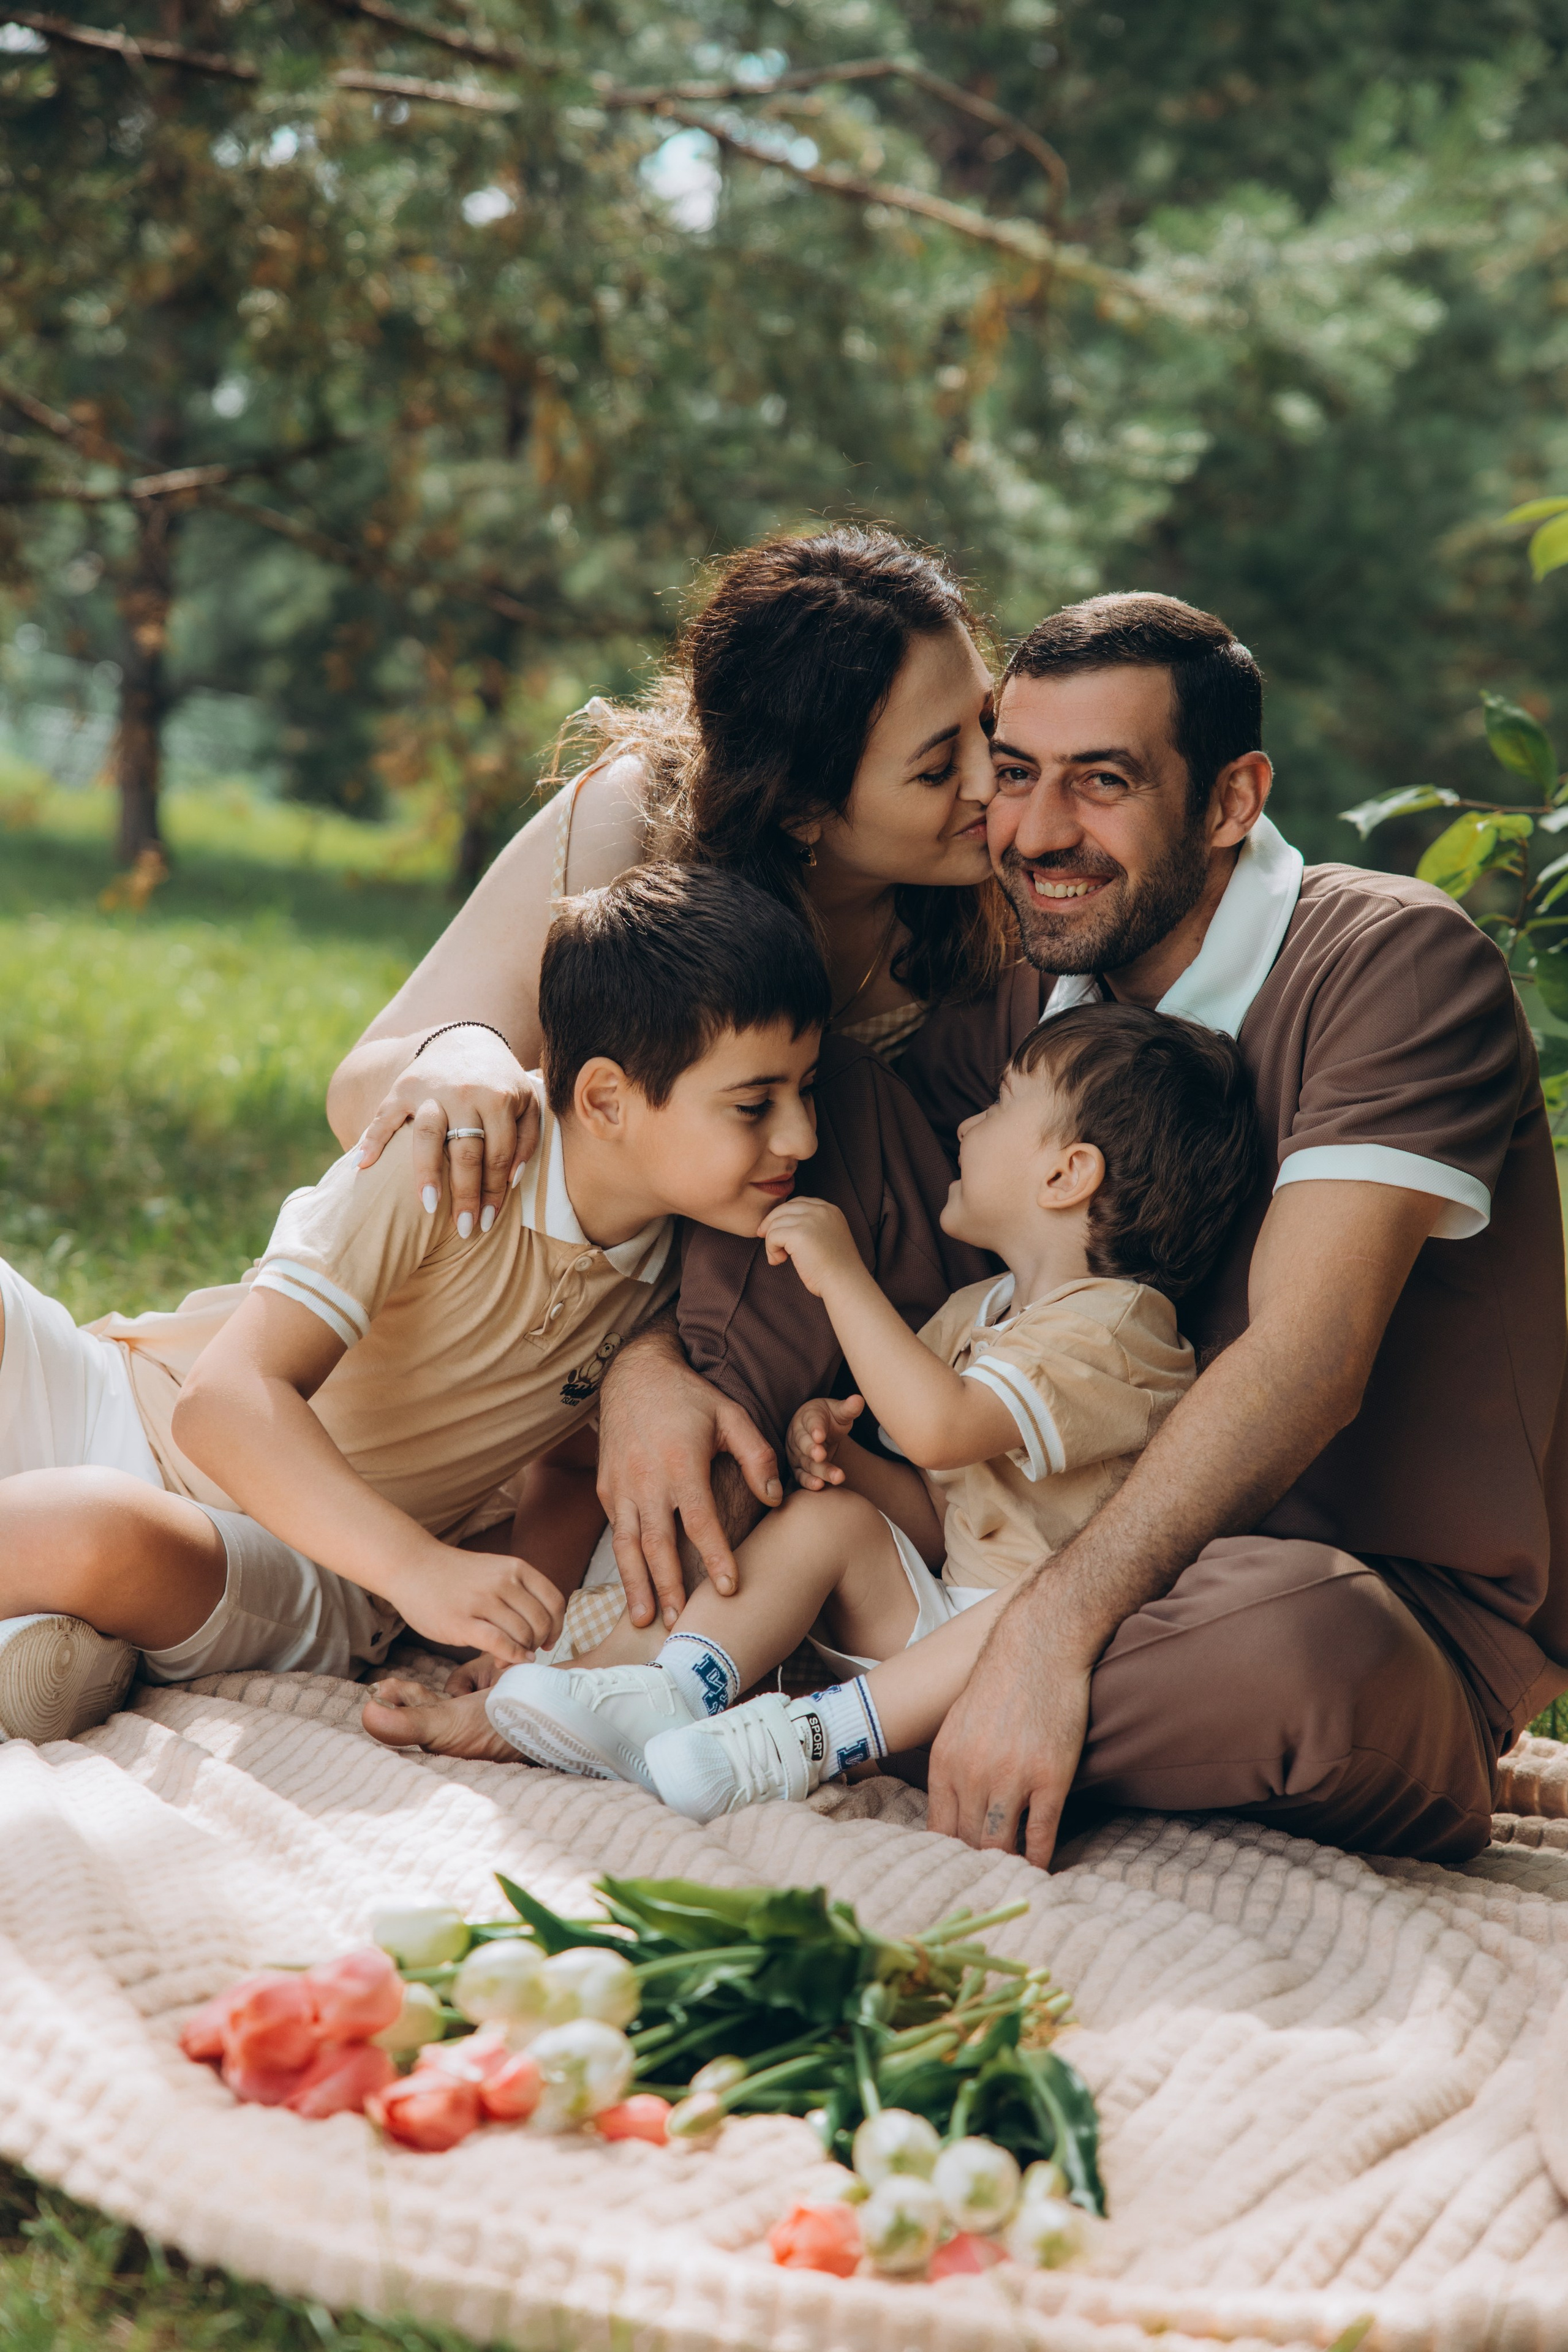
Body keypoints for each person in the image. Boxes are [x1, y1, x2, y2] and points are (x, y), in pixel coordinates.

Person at [560, 591, 1568, 1869]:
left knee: (1296, 1638)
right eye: (1016, 774)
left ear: (1227, 800)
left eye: (1100, 784)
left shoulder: (1388, 964)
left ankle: (816, 1678)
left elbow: (1305, 1359)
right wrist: (650, 1369)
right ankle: (657, 1632)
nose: (1036, 832)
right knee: (817, 1117)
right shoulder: (1034, 986)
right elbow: (835, 1205)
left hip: (1330, 1598)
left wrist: (1052, 1629)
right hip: (1008, 1535)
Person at [327, 527, 1030, 1630]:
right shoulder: (633, 822)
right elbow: (363, 1090)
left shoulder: (1006, 895)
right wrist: (459, 1051)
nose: (996, 783)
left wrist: (650, 1364)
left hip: (830, 1368)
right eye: (940, 766)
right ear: (802, 807)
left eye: (988, 723)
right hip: (531, 1336)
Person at [361, 1003, 1260, 1815]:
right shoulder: (979, 1313)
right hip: (927, 1622)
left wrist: (842, 1277)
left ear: (1067, 1175)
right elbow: (938, 1513)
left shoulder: (1121, 1331)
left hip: (1012, 1667)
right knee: (827, 1517)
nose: (968, 1126)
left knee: (1024, 1604)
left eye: (999, 1108)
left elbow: (941, 1427)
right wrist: (848, 1463)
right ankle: (668, 1691)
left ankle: (797, 1744)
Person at [0, 868, 827, 1742]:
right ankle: (42, 1633)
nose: (802, 1138)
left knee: (85, 1528)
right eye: (755, 1104)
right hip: (115, 1395)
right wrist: (424, 1568)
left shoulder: (678, 1276)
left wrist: (510, 1627)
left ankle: (58, 1611)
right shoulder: (457, 1158)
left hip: (299, 1560)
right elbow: (222, 1401)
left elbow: (576, 1462)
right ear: (606, 1101)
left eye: (807, 1091)